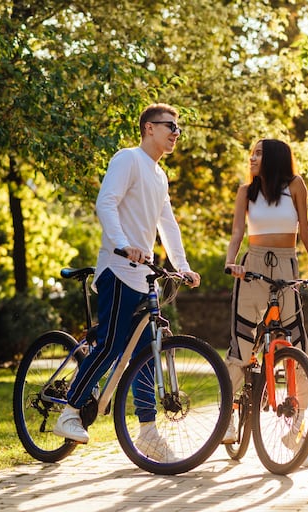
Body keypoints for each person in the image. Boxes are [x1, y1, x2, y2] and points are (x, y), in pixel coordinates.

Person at [53, 103, 201, 462]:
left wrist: (181, 265)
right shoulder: (128, 159)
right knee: (110, 344)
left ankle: (147, 433)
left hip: (142, 274)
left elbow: (168, 223)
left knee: (146, 354)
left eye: (178, 128)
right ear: (149, 128)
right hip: (118, 270)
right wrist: (122, 245)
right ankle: (70, 412)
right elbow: (106, 203)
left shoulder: (159, 175)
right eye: (170, 126)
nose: (176, 133)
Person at [222, 138, 308, 467]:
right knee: (242, 347)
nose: (252, 158)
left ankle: (295, 431)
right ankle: (227, 416)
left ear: (272, 158)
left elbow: (307, 230)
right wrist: (232, 263)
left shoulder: (295, 186)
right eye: (251, 153)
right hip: (252, 265)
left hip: (287, 265)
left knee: (298, 351)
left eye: (258, 153)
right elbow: (237, 232)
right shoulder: (246, 191)